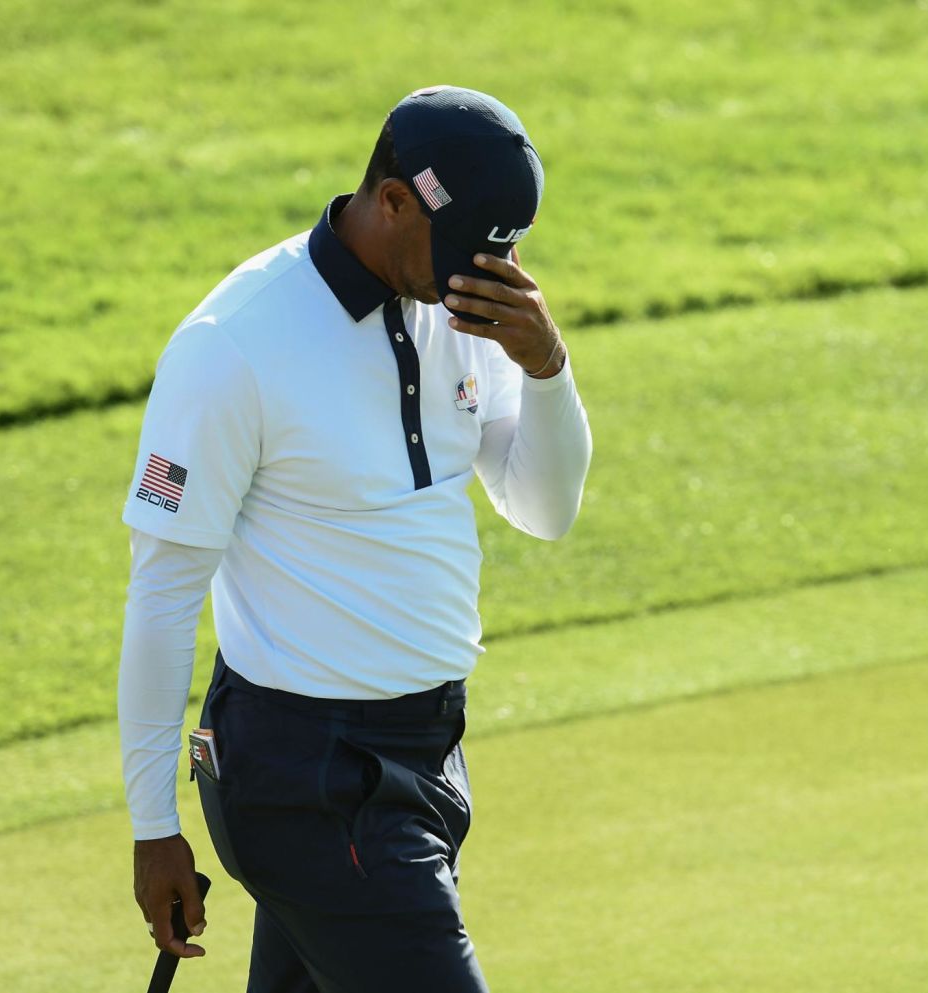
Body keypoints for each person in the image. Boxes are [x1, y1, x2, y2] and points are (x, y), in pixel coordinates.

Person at [116, 85, 592, 993]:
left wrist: (547, 370)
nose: (475, 279)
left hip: (428, 750)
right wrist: (153, 827)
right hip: (304, 777)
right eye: (460, 251)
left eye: (498, 255)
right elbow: (163, 593)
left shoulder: (465, 306)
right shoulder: (235, 344)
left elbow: (544, 507)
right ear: (393, 200)